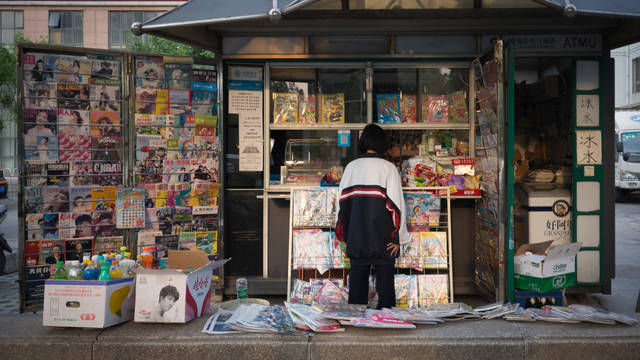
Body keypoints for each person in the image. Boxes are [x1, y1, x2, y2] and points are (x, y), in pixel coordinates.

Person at [336, 124, 409, 309]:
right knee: (386, 293)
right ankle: (386, 324)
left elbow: (342, 205)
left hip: (357, 238)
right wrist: (398, 238)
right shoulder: (389, 168)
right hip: (384, 240)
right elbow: (397, 206)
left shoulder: (351, 168)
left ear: (363, 142)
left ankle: (356, 327)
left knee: (357, 290)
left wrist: (344, 236)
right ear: (383, 143)